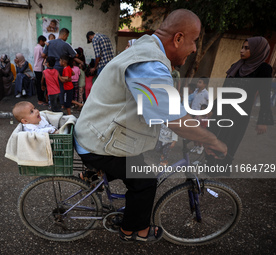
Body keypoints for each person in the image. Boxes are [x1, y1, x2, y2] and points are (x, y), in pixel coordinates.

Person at [75, 9, 227, 243]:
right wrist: (212, 140)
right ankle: (133, 231)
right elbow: (174, 119)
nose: (195, 48)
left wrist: (193, 125)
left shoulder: (146, 47)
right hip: (99, 141)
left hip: (97, 131)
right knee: (145, 180)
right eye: (194, 41)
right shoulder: (149, 64)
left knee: (139, 167)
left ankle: (102, 181)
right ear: (177, 39)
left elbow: (169, 105)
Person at [207, 36, 274, 168]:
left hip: (239, 115)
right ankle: (207, 168)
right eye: (242, 47)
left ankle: (218, 176)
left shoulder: (263, 69)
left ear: (257, 50)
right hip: (222, 110)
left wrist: (263, 120)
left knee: (228, 144)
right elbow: (224, 90)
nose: (242, 50)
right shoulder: (236, 66)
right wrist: (212, 109)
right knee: (212, 140)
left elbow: (265, 96)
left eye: (246, 48)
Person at [42, 28, 83, 105]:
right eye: (67, 36)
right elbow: (75, 55)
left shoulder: (49, 43)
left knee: (51, 85)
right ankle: (61, 104)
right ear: (64, 35)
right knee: (61, 86)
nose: (67, 38)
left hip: (50, 67)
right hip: (60, 68)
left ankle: (51, 103)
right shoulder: (65, 44)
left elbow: (43, 55)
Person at [34, 35, 47, 105]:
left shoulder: (35, 47)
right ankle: (40, 99)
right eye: (44, 42)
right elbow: (43, 55)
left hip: (36, 68)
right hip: (40, 68)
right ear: (41, 41)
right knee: (41, 84)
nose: (44, 43)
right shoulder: (41, 48)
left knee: (38, 84)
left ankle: (40, 98)